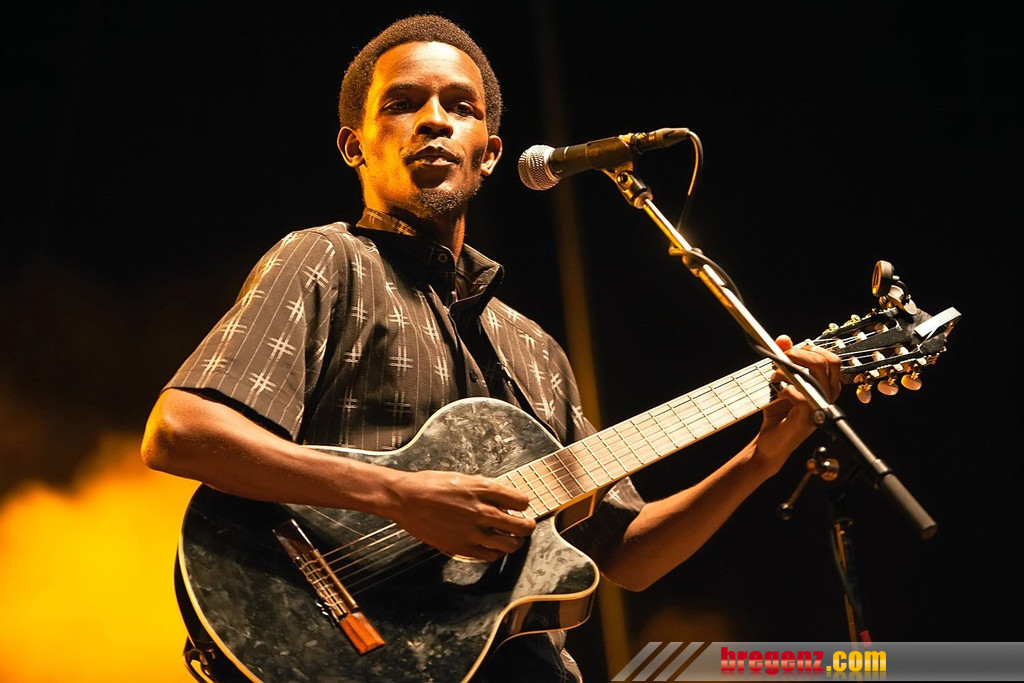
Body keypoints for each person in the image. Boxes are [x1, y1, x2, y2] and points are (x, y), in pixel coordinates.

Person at [141, 13, 842, 682]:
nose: (435, 120)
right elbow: (181, 432)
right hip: (346, 649)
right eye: (403, 104)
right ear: (355, 145)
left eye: (461, 106)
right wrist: (399, 494)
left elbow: (628, 556)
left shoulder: (534, 350)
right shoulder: (325, 259)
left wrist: (760, 458)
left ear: (491, 154)